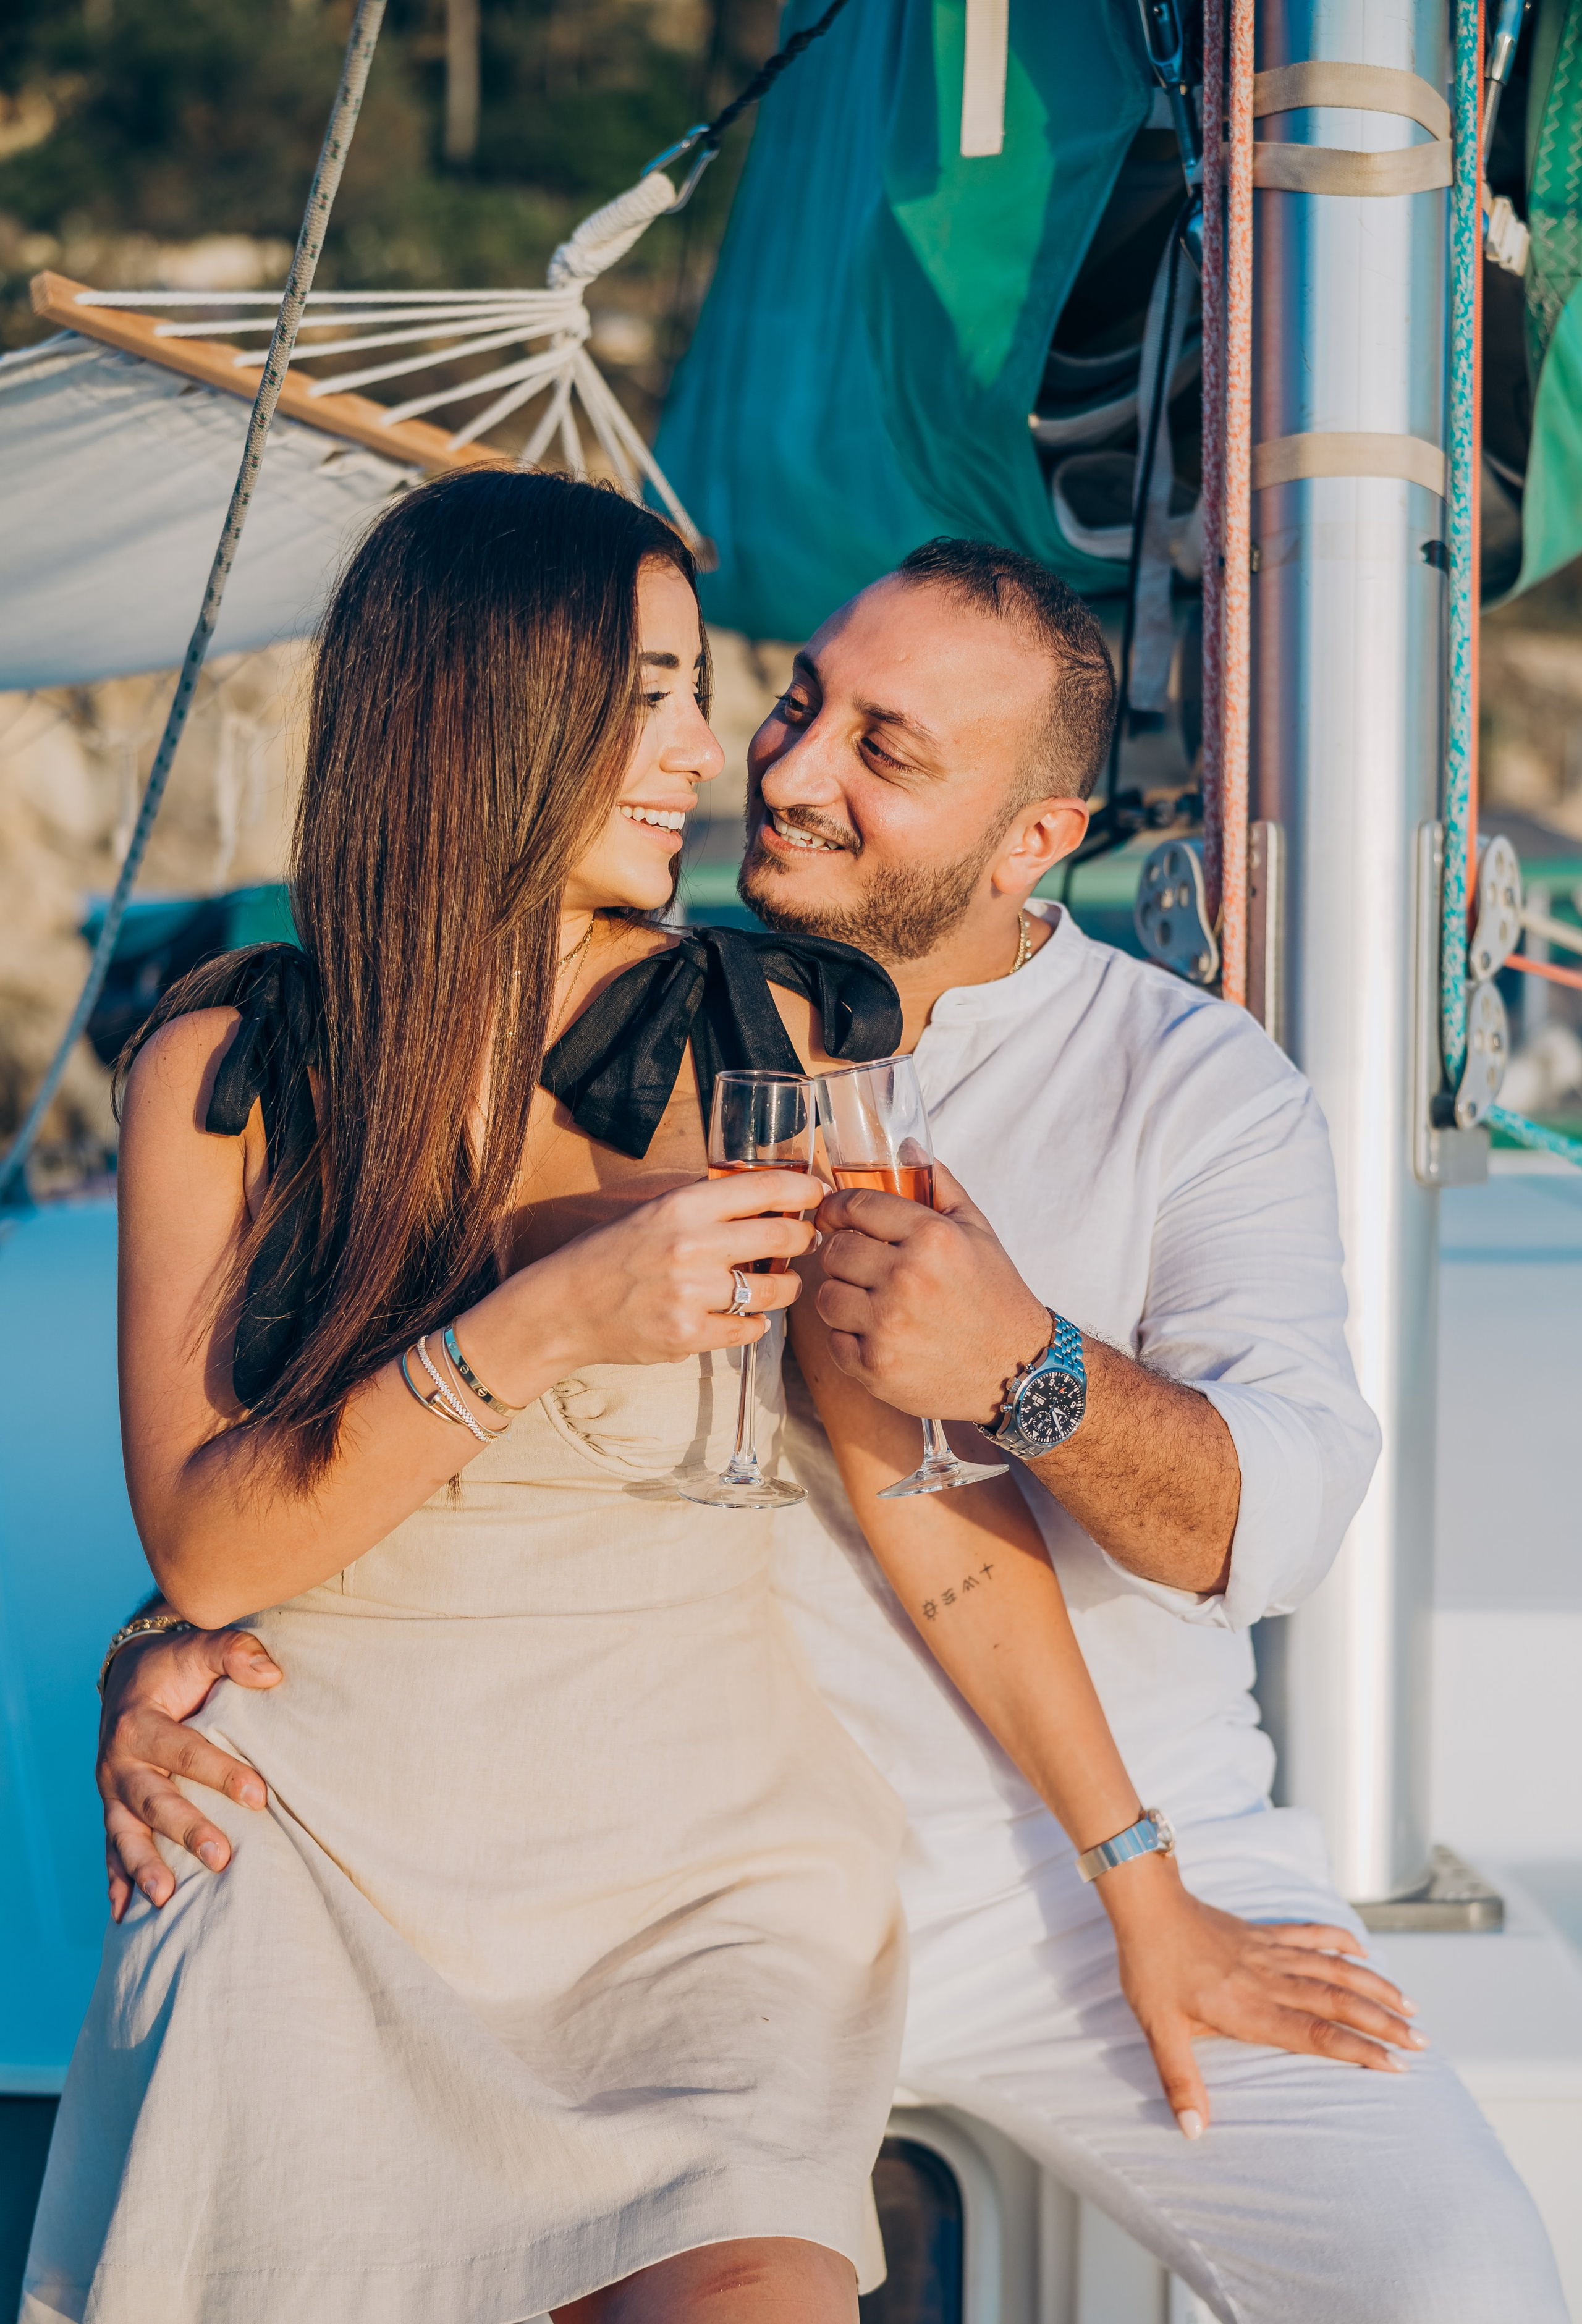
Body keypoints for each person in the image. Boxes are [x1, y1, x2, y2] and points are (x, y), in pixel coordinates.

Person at [87, 530, 1561, 2321]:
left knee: (1461, 2280)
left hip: (910, 1877)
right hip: (463, 1818)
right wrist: (167, 1638)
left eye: (886, 750)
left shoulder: (1161, 1086)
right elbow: (238, 1508)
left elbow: (1230, 1517)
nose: (768, 768)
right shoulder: (320, 1052)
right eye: (781, 701)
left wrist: (1025, 1370)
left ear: (1038, 840)